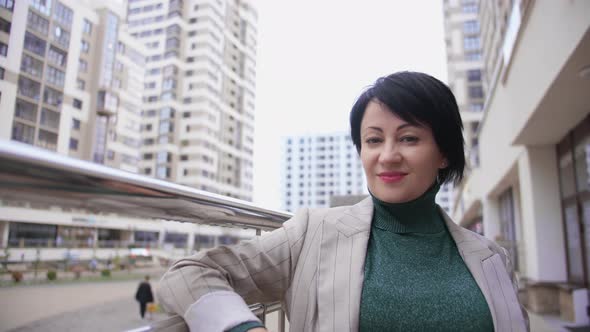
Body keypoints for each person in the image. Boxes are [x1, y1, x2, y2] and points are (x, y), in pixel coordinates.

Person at [158, 71, 529, 331]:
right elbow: (189, 274)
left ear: (444, 153)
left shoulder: (492, 259)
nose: (387, 155)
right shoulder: (311, 234)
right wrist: (240, 327)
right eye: (373, 140)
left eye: (409, 138)